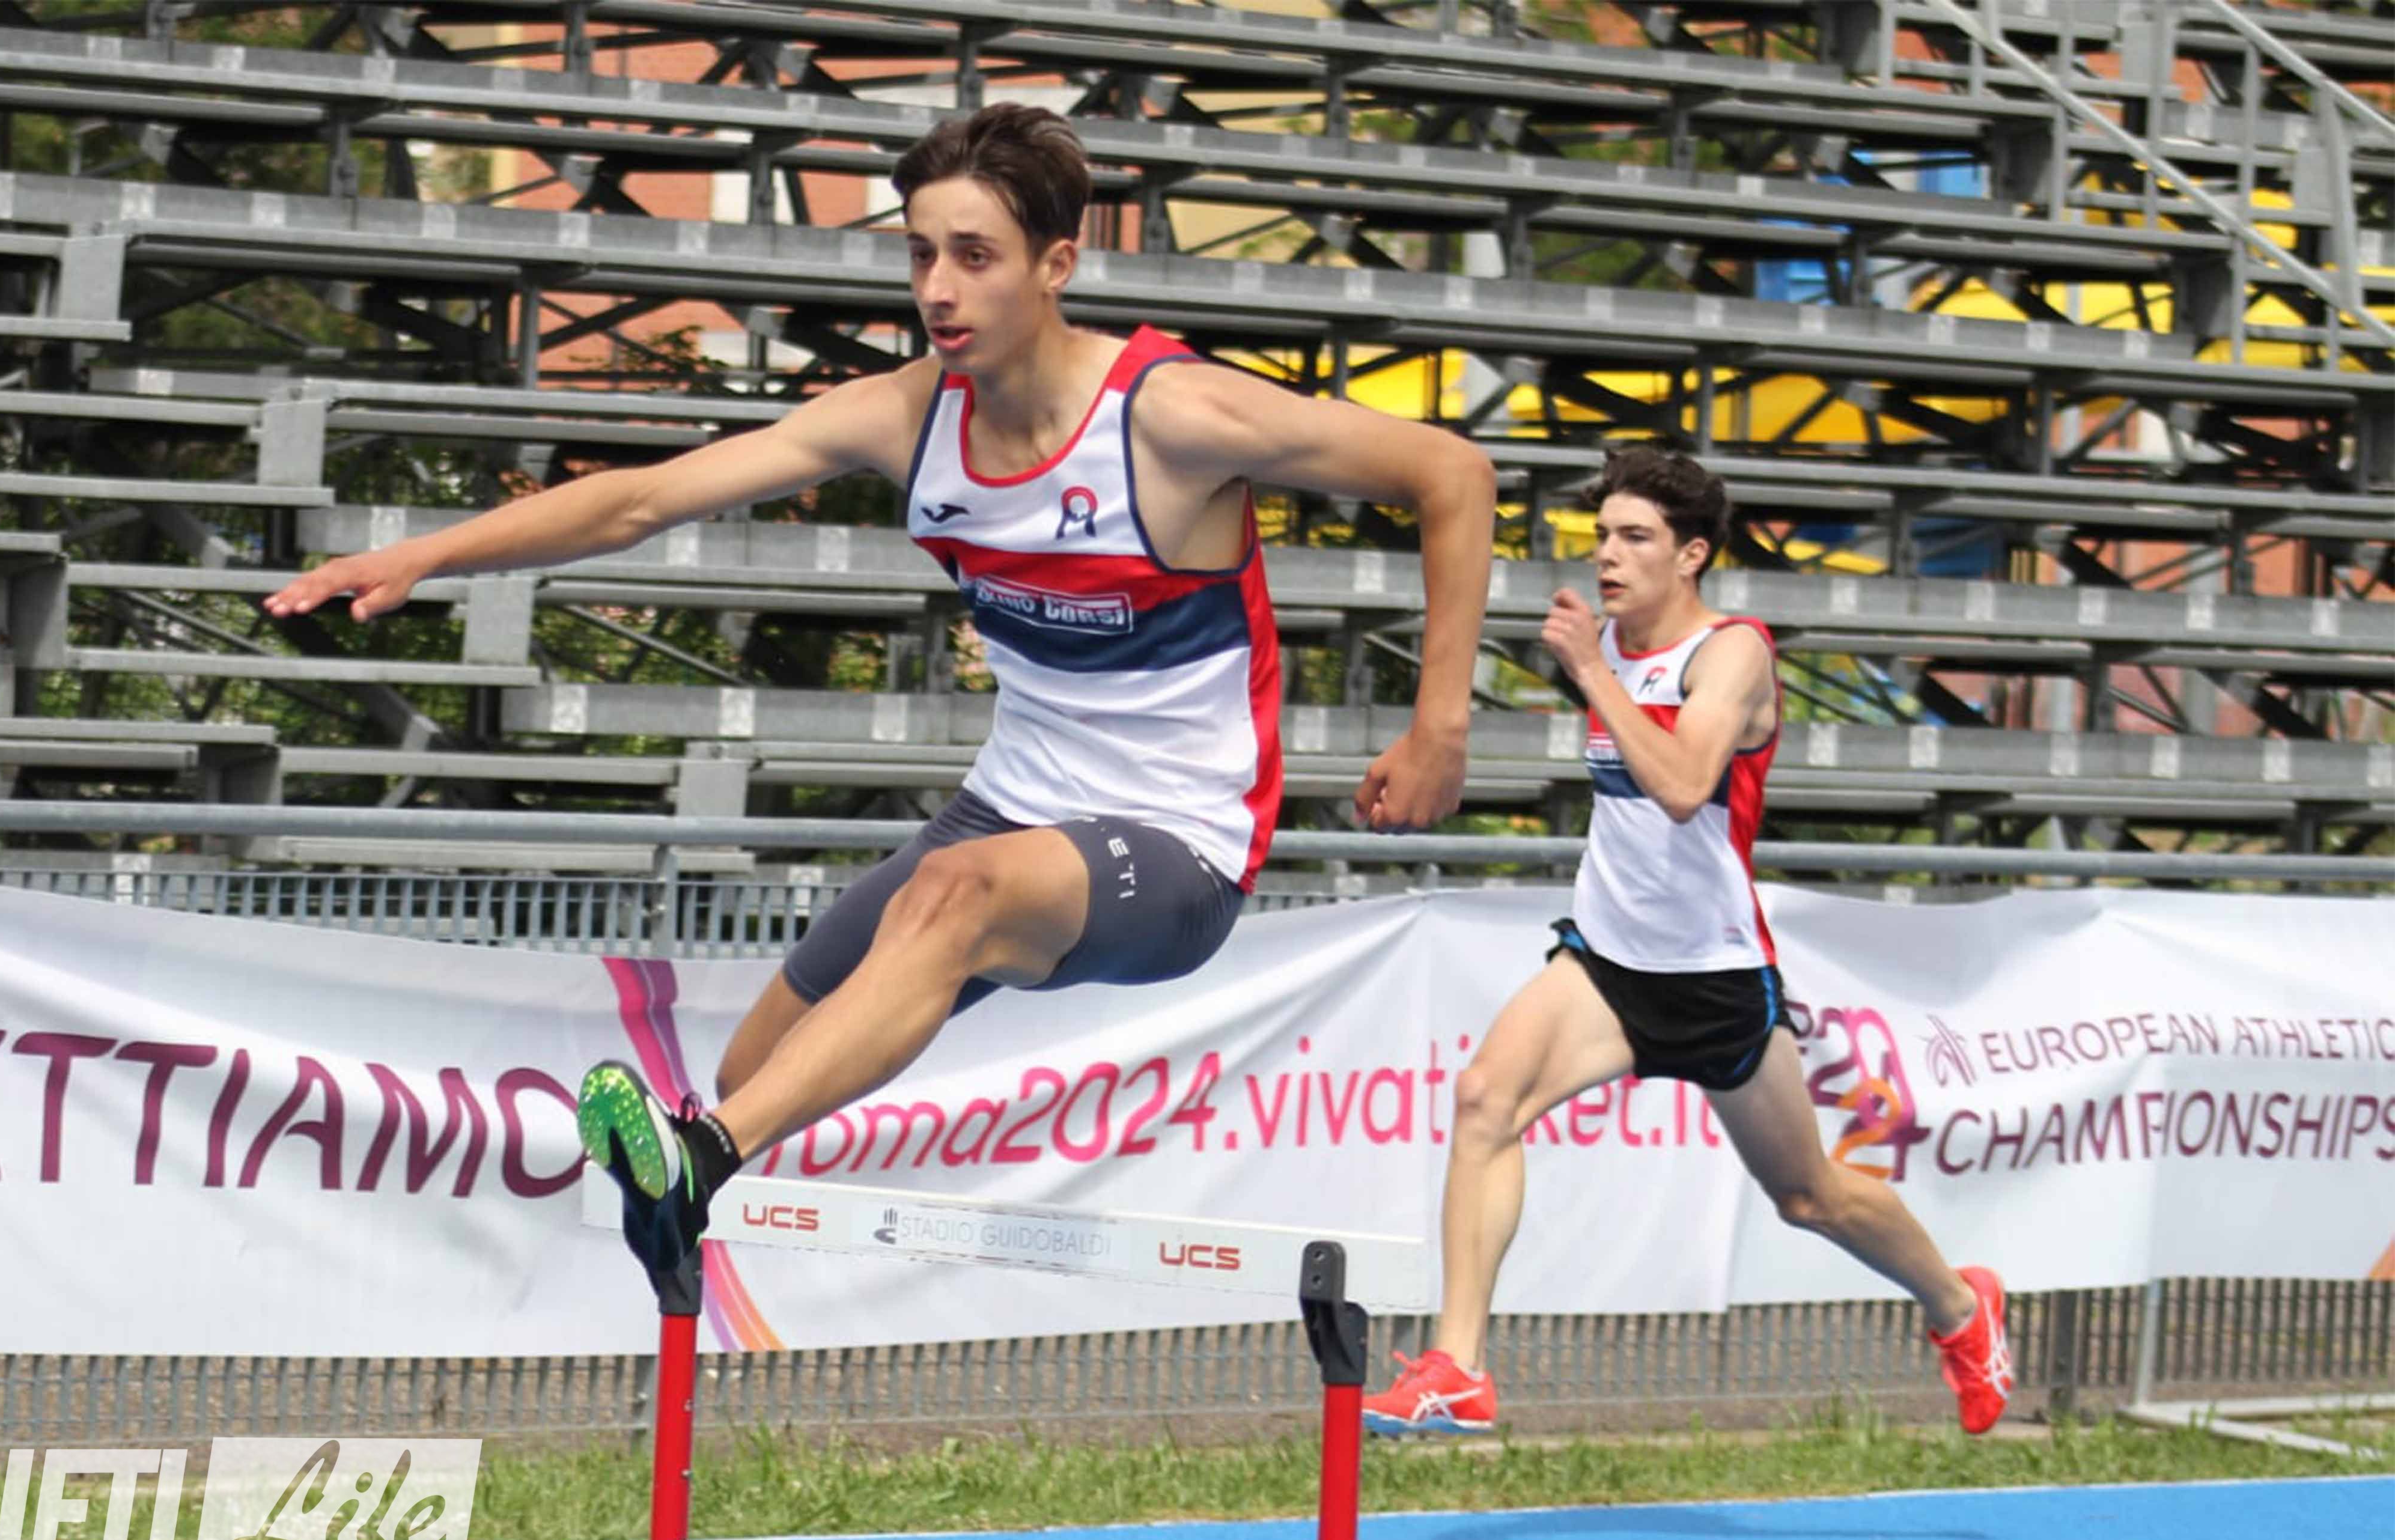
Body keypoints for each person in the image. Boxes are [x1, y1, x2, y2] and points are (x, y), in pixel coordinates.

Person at [266, 103, 1496, 1280]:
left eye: (975, 256)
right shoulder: (907, 419)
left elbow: (1450, 473)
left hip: (1178, 848)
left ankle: (699, 1163)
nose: (938, 290)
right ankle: (702, 1190)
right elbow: (642, 500)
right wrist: (423, 554)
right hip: (1012, 809)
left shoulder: (1170, 418)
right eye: (920, 255)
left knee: (938, 905)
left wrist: (1438, 725)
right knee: (757, 1068)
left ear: (1056, 265)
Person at [1361, 446, 2013, 1438]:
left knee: (1809, 1195)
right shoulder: (1612, 645)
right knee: (1486, 1098)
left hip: (1713, 976)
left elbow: (1680, 787)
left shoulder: (1731, 653)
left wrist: (1592, 673)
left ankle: (1961, 1307)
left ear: (1692, 554)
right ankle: (1459, 1368)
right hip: (1607, 963)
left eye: (1636, 538)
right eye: (1602, 537)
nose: (1608, 557)